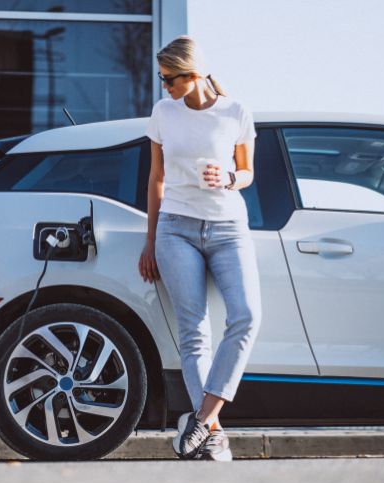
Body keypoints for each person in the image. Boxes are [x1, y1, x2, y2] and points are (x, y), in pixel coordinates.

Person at [138, 35, 262, 461]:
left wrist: (227, 178)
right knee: (194, 333)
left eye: (169, 80)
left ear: (193, 75)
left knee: (246, 316)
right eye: (162, 80)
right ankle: (212, 435)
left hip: (229, 228)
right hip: (176, 229)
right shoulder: (163, 113)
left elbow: (247, 172)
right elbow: (156, 178)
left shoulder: (236, 112)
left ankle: (202, 420)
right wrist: (151, 240)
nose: (165, 88)